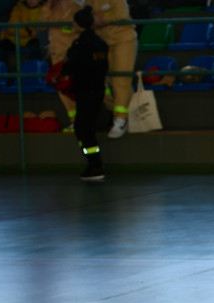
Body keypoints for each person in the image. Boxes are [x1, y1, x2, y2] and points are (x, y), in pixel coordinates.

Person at [62, 6, 108, 181]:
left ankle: (95, 165)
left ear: (79, 24)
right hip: (98, 89)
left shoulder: (80, 45)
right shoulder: (101, 44)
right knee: (86, 128)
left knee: (83, 130)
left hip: (84, 90)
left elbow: (68, 66)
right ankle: (94, 164)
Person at [85, 0, 138, 139]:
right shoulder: (88, 1)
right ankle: (126, 113)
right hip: (102, 43)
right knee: (102, 79)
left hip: (123, 40)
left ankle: (120, 119)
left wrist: (101, 19)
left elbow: (122, 14)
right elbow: (85, 16)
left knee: (121, 79)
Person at [41, 0, 81, 131]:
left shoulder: (75, 6)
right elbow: (41, 26)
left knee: (77, 90)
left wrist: (66, 9)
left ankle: (117, 115)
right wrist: (47, 7)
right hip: (56, 56)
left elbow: (74, 26)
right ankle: (74, 121)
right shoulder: (49, 7)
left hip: (71, 57)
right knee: (63, 91)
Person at [0, 0, 45, 68]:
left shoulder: (44, 9)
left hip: (32, 39)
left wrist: (35, 32)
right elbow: (12, 27)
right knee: (0, 48)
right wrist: (29, 32)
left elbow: (43, 28)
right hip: (14, 37)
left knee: (38, 49)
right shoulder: (18, 8)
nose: (31, 1)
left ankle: (33, 74)